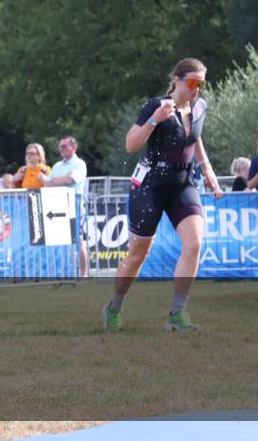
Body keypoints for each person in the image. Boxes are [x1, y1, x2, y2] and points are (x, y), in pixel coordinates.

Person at [103, 58, 224, 333]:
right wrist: (154, 121)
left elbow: (195, 138)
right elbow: (131, 145)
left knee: (194, 245)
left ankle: (177, 314)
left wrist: (207, 170)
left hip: (183, 183)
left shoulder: (200, 107)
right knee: (138, 254)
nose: (197, 89)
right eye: (192, 83)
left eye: (201, 84)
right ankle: (115, 307)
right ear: (177, 80)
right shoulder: (157, 106)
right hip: (151, 185)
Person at [43, 136, 90, 276]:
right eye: (60, 146)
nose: (61, 148)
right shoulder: (57, 166)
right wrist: (62, 181)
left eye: (64, 146)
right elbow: (47, 184)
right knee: (58, 242)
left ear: (73, 148)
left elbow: (69, 180)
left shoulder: (79, 164)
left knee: (78, 240)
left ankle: (83, 275)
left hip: (74, 206)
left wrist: (57, 181)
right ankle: (62, 274)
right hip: (56, 206)